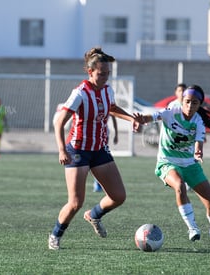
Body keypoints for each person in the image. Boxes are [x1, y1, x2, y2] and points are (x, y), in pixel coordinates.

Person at [48, 47, 140, 250]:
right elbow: (59, 122)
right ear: (90, 72)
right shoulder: (80, 93)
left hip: (100, 150)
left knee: (118, 196)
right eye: (101, 74)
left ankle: (94, 215)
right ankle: (56, 234)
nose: (105, 77)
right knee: (75, 202)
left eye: (107, 73)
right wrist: (62, 150)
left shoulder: (107, 90)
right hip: (78, 151)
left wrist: (131, 119)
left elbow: (112, 108)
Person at [133, 84, 210, 247]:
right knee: (180, 186)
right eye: (187, 101)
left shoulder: (198, 121)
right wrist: (141, 120)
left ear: (200, 104)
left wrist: (198, 152)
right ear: (181, 100)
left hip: (190, 164)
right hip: (167, 161)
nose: (190, 106)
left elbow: (199, 142)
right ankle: (192, 228)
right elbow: (151, 117)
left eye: (194, 103)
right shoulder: (171, 112)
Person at [93, 115, 118, 192]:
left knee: (98, 159)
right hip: (88, 136)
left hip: (103, 135)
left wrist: (116, 134)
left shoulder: (108, 103)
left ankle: (98, 183)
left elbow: (114, 116)